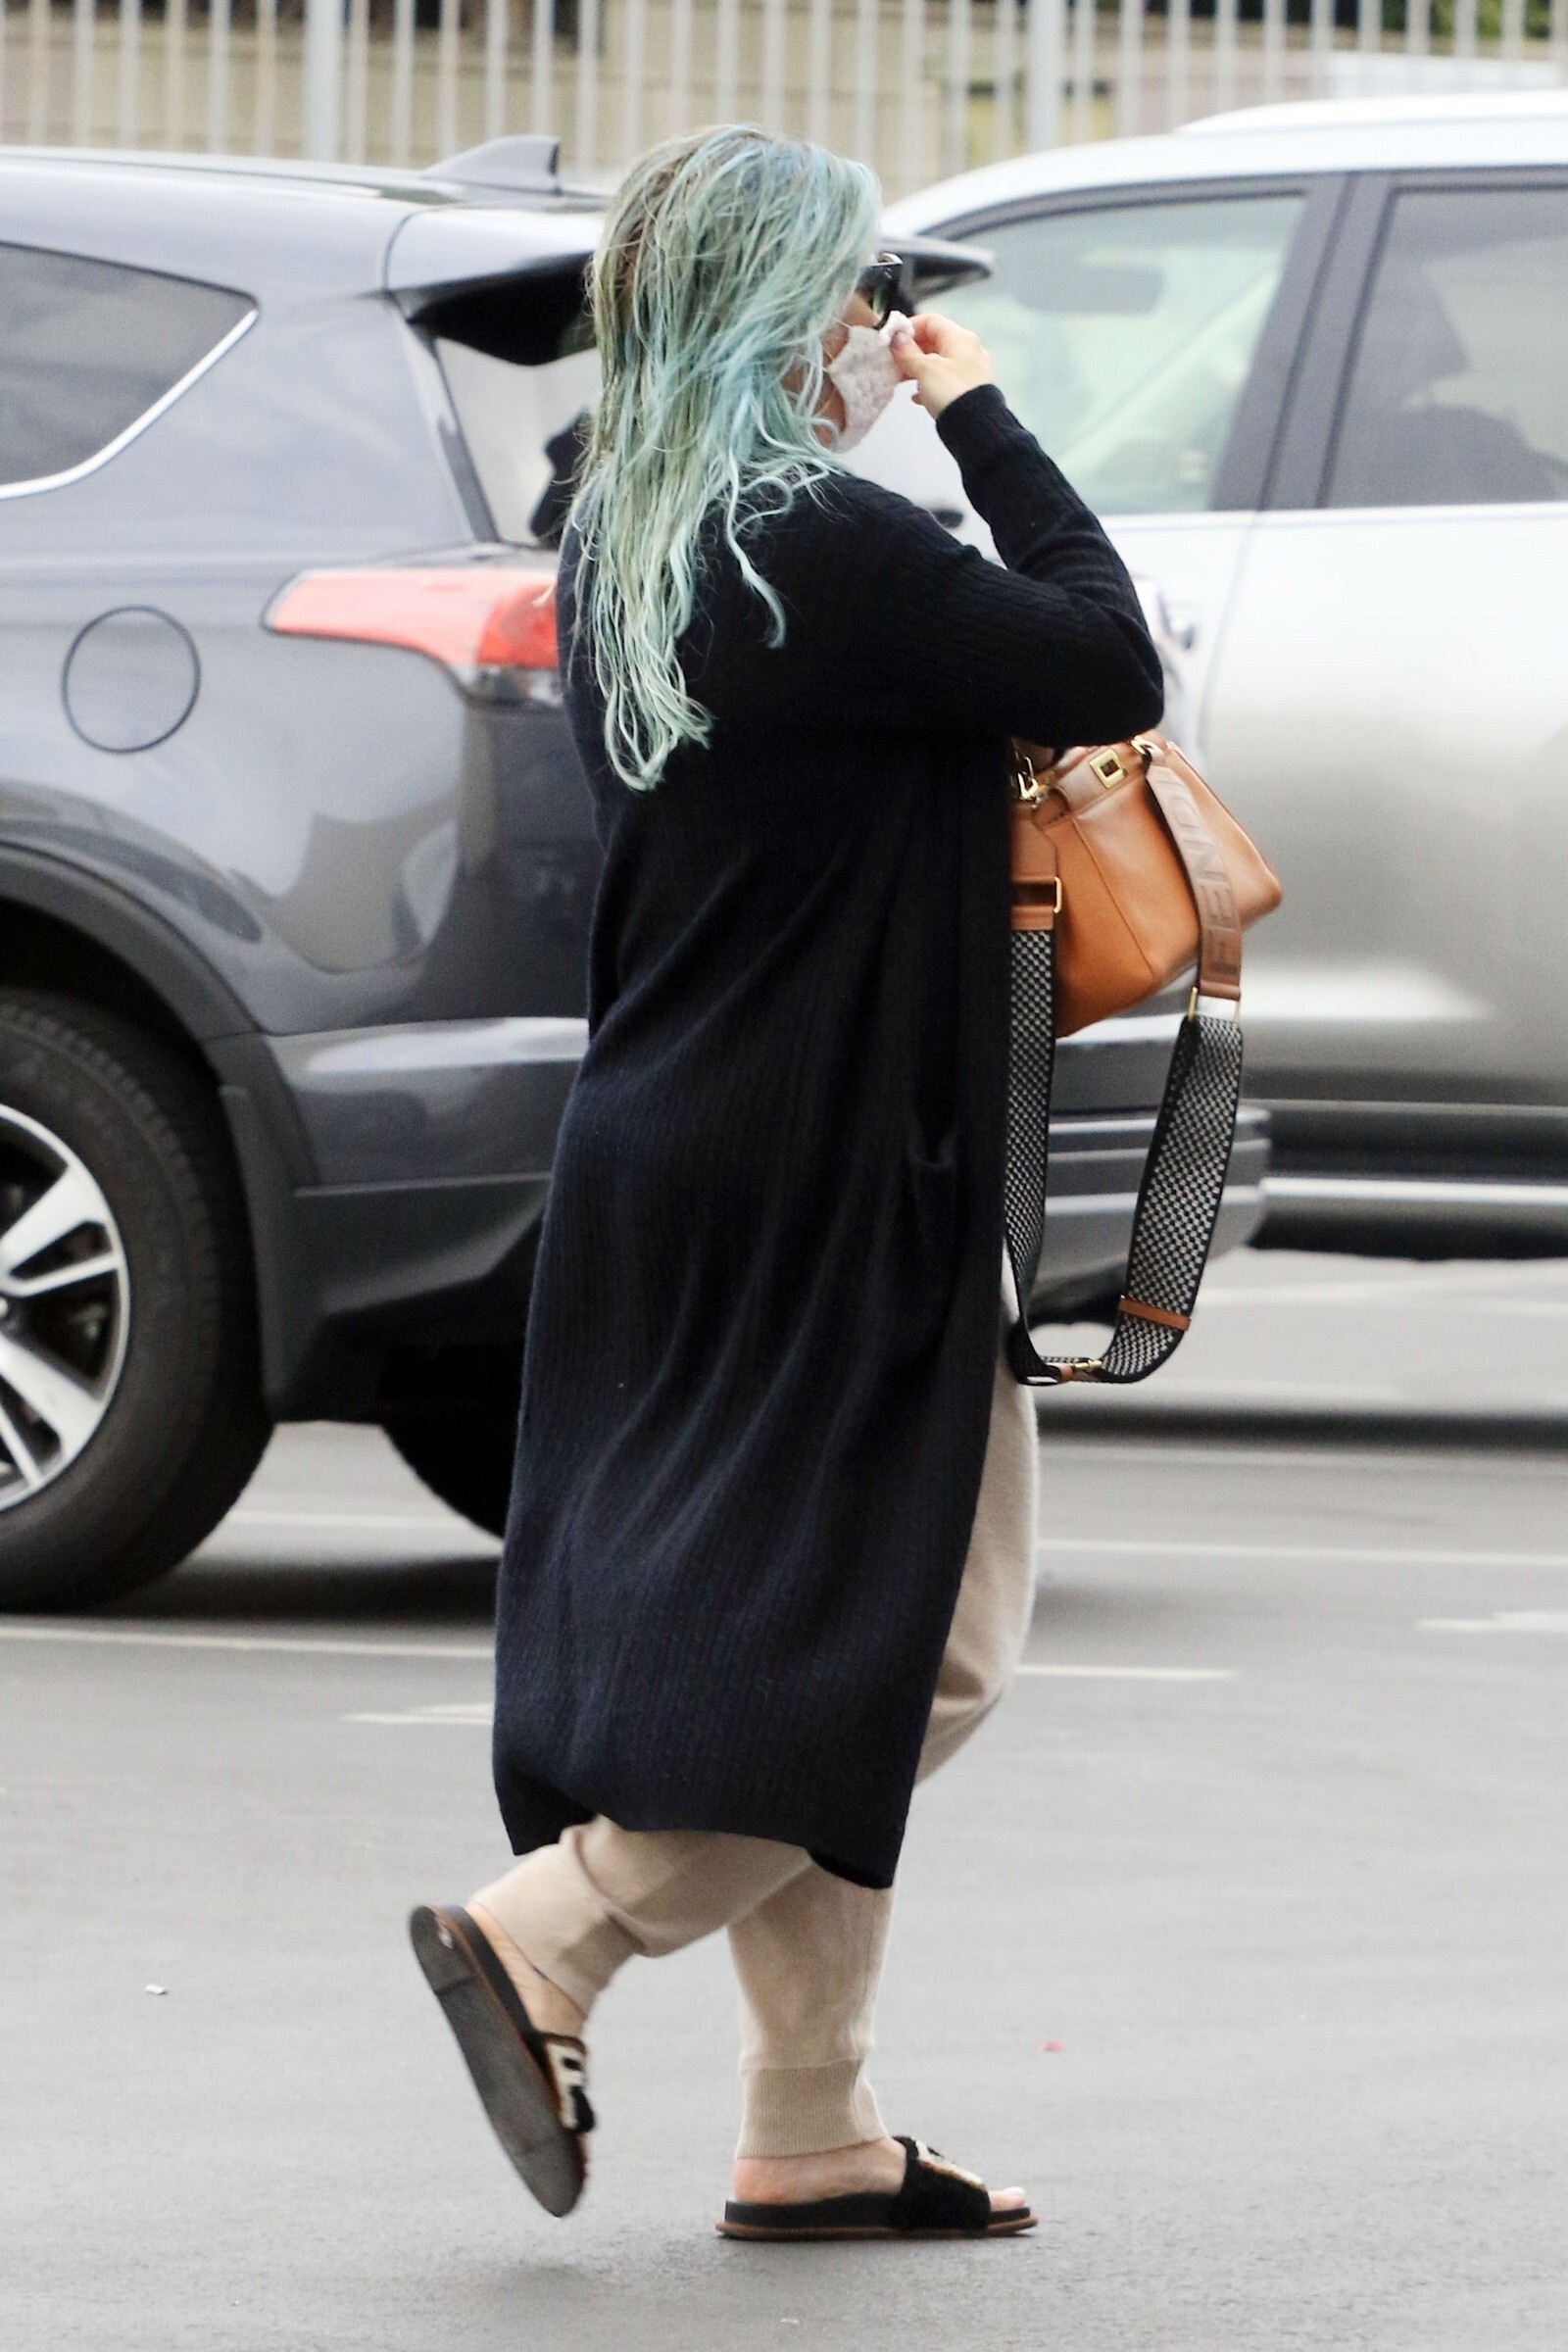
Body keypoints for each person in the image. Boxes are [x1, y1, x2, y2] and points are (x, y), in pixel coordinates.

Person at [411, 124, 1162, 2241]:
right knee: (917, 1646)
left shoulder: (621, 535)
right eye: (855, 293)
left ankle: (810, 2124)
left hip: (668, 1149)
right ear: (779, 311)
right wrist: (976, 408)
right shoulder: (820, 544)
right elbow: (1103, 659)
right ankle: (554, 1932)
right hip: (841, 1167)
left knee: (777, 1630)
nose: (872, 329)